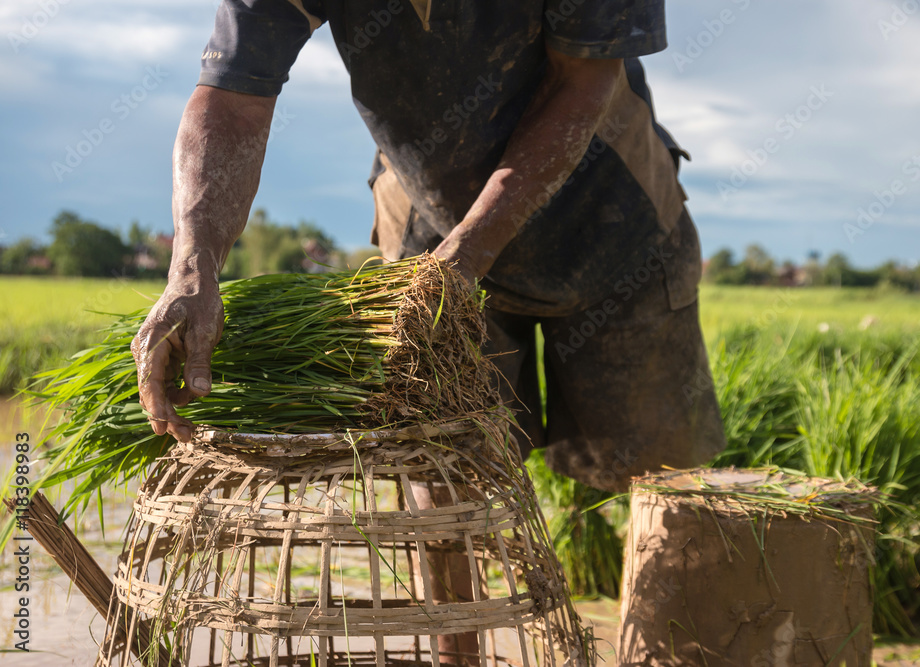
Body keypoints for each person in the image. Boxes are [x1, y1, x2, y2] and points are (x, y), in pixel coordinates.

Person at [131, 0, 727, 659]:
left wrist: (468, 254)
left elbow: (581, 81)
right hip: (427, 206)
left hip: (610, 214)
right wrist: (193, 267)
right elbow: (233, 99)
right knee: (441, 471)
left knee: (662, 472)